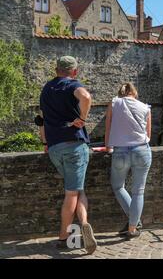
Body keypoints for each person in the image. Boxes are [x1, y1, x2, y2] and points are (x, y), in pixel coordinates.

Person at [39, 56, 97, 254]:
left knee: (77, 188)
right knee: (72, 193)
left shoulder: (46, 89)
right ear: (74, 71)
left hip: (54, 147)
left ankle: (84, 223)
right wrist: (81, 118)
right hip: (74, 145)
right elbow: (86, 97)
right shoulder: (72, 84)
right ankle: (64, 237)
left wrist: (45, 143)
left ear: (56, 70)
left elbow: (43, 119)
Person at [105, 83, 152, 240]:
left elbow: (108, 127)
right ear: (134, 92)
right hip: (142, 150)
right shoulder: (146, 108)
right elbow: (149, 134)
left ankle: (135, 221)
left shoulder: (114, 103)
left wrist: (107, 147)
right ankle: (133, 228)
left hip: (121, 151)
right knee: (138, 191)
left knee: (118, 187)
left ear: (121, 93)